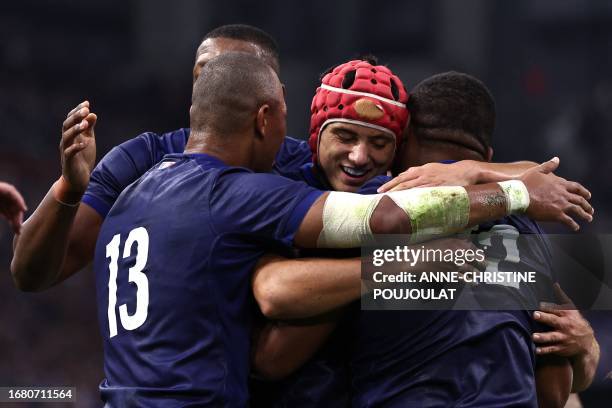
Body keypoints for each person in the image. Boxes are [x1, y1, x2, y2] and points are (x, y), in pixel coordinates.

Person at [93, 52, 590, 406]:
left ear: (400, 150)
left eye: (379, 144)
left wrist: (585, 342)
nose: (359, 157)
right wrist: (401, 261)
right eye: (345, 136)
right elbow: (272, 306)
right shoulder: (277, 187)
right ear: (309, 136)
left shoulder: (418, 200)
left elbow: (572, 370)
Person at [252, 71, 598, 407]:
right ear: (488, 156)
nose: (361, 157)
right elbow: (554, 393)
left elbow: (274, 355)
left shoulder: (374, 203)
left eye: (378, 142)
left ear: (403, 142)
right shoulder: (527, 216)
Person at [10, 24, 305, 291]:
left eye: (232, 74)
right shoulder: (142, 159)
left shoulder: (308, 165)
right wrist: (69, 188)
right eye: (202, 74)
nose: (212, 84)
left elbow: (352, 235)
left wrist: (354, 281)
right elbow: (29, 275)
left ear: (276, 96)